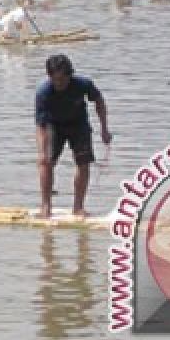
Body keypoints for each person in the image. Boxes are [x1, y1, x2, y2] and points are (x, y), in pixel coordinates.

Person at [35, 54, 111, 219]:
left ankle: (78, 207)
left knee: (83, 163)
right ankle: (46, 206)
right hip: (53, 125)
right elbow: (41, 126)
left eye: (64, 79)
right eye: (56, 80)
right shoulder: (43, 92)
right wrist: (42, 151)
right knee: (45, 162)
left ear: (70, 75)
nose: (60, 83)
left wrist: (104, 128)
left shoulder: (83, 84)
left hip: (78, 124)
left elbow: (99, 102)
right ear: (50, 77)